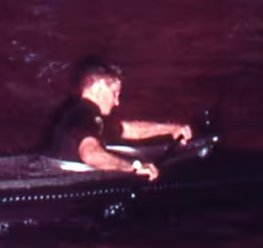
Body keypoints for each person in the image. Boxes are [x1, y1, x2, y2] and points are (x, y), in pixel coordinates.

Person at [40, 56, 192, 178]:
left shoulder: (79, 112)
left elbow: (129, 130)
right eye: (115, 94)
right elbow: (90, 154)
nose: (117, 102)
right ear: (99, 87)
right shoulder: (85, 113)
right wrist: (135, 168)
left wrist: (172, 129)